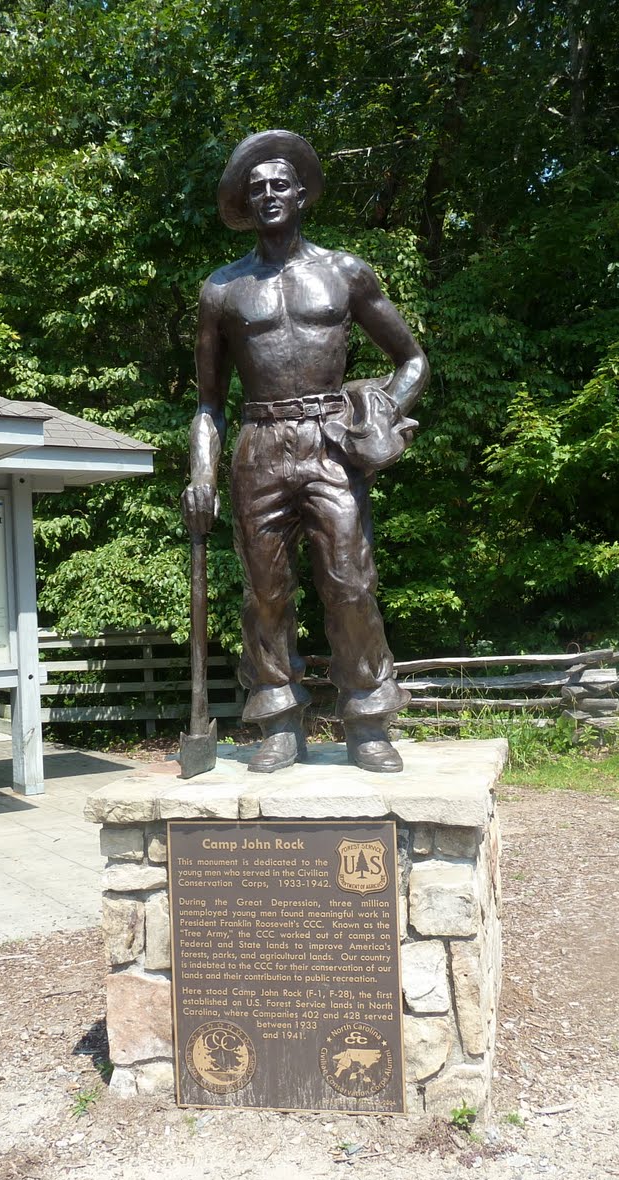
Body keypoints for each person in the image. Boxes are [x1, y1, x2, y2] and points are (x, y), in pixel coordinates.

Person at [182, 130, 429, 773]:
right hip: (258, 446)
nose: (268, 194)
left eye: (279, 184)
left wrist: (380, 417)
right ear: (245, 202)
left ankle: (367, 719)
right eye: (256, 187)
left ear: (299, 193)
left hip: (330, 444)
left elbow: (411, 360)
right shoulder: (222, 290)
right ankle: (279, 720)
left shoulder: (344, 273)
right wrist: (201, 475)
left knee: (350, 582)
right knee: (265, 592)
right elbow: (209, 403)